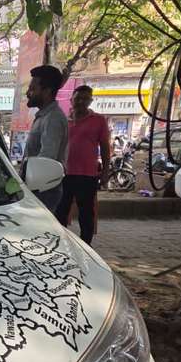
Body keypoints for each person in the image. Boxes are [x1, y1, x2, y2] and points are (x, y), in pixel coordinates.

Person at [56, 84, 111, 245]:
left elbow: (105, 148)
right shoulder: (64, 120)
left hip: (87, 175)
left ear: (90, 101)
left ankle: (86, 245)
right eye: (78, 98)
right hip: (64, 173)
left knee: (86, 213)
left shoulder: (99, 121)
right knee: (61, 211)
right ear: (71, 99)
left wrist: (106, 172)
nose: (81, 101)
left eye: (85, 99)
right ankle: (62, 243)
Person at [21, 65, 68, 211]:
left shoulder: (52, 119)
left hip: (42, 190)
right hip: (37, 188)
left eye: (33, 89)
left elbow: (46, 160)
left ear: (46, 91)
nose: (28, 93)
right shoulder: (44, 116)